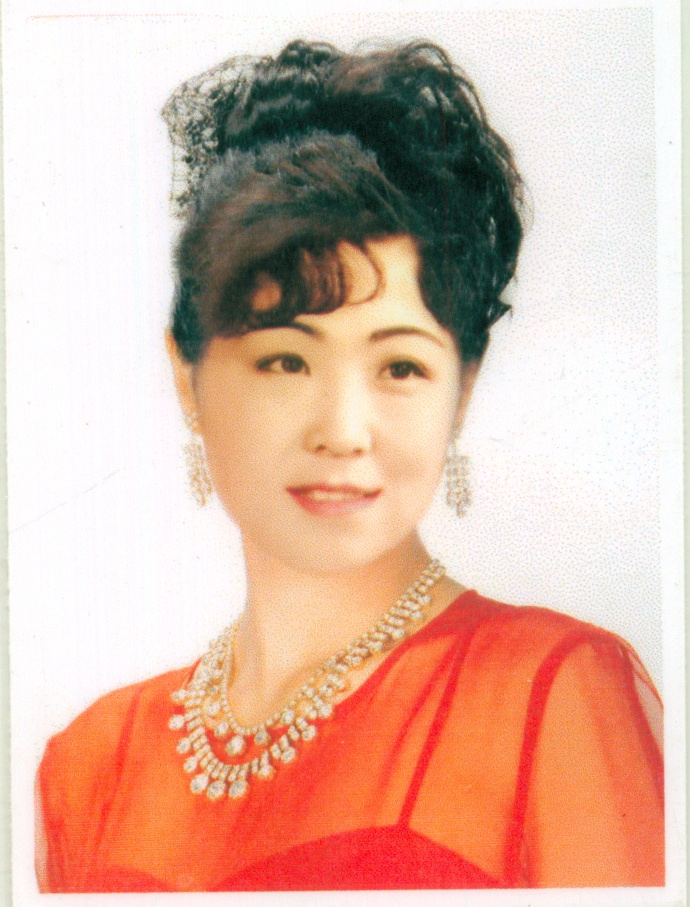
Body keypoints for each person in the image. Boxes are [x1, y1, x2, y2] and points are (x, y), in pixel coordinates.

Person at [35, 39, 663, 892]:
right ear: (188, 378)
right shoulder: (90, 766)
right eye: (285, 361)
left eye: (399, 367)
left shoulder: (551, 696)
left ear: (463, 390)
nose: (342, 431)